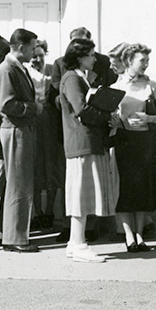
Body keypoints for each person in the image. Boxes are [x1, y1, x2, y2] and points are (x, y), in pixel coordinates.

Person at [59, 38, 117, 263]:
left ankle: (75, 242)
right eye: (91, 55)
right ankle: (80, 244)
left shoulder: (80, 77)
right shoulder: (72, 78)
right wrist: (106, 115)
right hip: (81, 143)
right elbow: (82, 109)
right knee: (81, 195)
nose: (95, 58)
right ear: (80, 57)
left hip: (87, 142)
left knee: (82, 194)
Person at [112, 43, 156, 252]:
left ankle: (139, 235)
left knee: (143, 191)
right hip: (125, 141)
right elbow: (111, 116)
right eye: (142, 60)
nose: (146, 64)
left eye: (147, 61)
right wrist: (119, 123)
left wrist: (149, 118)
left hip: (146, 142)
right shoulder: (118, 86)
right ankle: (128, 236)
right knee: (127, 190)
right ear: (129, 61)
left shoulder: (151, 85)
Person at [0, 28, 43, 252]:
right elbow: (6, 104)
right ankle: (16, 239)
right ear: (21, 47)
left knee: (15, 182)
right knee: (20, 184)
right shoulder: (7, 68)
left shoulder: (17, 67)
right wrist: (34, 108)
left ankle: (5, 233)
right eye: (33, 48)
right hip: (16, 129)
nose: (35, 52)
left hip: (21, 129)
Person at [28, 39, 63, 230]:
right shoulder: (25, 73)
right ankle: (37, 212)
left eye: (41, 55)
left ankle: (49, 210)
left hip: (50, 123)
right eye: (34, 56)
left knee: (51, 166)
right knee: (34, 168)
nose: (38, 59)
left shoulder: (51, 70)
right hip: (33, 123)